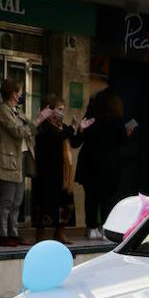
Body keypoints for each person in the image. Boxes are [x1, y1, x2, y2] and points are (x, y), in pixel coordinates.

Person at [33, 94, 92, 243]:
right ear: (50, 109)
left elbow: (74, 143)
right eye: (59, 109)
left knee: (65, 203)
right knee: (46, 203)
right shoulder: (43, 127)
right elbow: (55, 139)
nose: (61, 112)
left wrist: (80, 130)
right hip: (48, 172)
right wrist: (72, 128)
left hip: (64, 173)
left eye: (63, 109)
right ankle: (40, 235)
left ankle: (60, 232)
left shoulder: (63, 127)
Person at [74, 88, 131, 239]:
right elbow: (123, 140)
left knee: (91, 197)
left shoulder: (91, 118)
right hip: (108, 166)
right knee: (107, 198)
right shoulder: (116, 120)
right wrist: (128, 132)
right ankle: (105, 228)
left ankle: (91, 227)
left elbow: (79, 140)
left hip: (89, 165)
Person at [0, 79, 36, 247]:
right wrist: (37, 121)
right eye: (19, 92)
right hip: (9, 159)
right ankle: (2, 234)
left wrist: (31, 125)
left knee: (18, 200)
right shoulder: (2, 110)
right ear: (13, 93)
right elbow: (19, 131)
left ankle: (14, 232)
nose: (21, 95)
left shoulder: (17, 110)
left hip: (21, 158)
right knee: (6, 200)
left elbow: (29, 128)